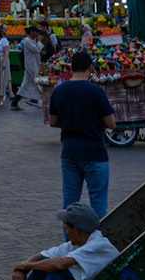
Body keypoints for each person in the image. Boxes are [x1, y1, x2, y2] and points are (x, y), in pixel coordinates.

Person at [49, 50, 117, 216]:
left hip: (70, 152)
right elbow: (111, 124)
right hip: (94, 152)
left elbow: (53, 122)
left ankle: (71, 241)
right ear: (90, 68)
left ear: (71, 68)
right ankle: (97, 240)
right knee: (99, 205)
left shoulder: (59, 91)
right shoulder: (96, 91)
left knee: (70, 205)